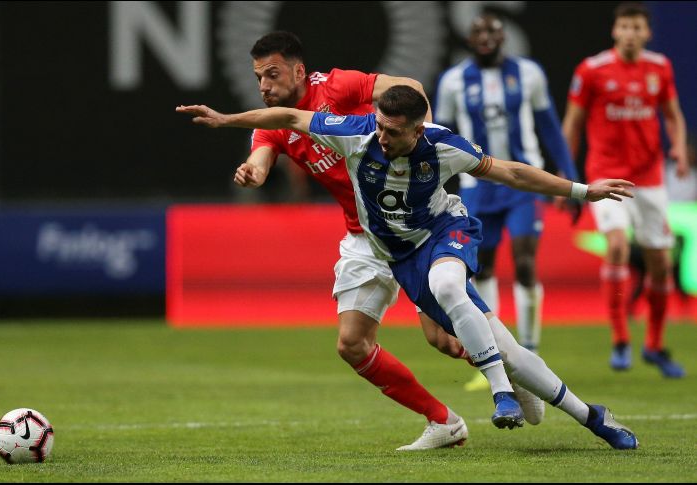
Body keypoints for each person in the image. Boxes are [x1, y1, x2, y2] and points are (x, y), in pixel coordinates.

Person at [176, 84, 640, 450]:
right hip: (402, 257)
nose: (382, 135)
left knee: (449, 285)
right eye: (380, 125)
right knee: (509, 351)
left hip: (447, 231)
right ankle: (593, 418)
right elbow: (292, 117)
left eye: (393, 130)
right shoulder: (355, 132)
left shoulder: (443, 146)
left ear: (418, 129)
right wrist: (226, 120)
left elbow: (514, 173)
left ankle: (500, 391)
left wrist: (583, 190)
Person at [233, 31, 474, 451]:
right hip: (364, 237)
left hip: (412, 226)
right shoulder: (275, 127)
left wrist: (425, 142)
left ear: (299, 71)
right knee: (352, 344)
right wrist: (253, 172)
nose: (264, 87)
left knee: (444, 339)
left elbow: (411, 89)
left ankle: (513, 375)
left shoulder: (337, 87)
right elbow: (260, 157)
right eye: (258, 78)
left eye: (272, 75)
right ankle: (444, 421)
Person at [433, 12, 581, 394]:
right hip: (476, 185)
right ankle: (495, 354)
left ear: (504, 39)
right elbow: (438, 137)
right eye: (478, 32)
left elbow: (549, 126)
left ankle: (531, 352)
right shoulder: (453, 81)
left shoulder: (529, 74)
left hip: (520, 183)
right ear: (469, 40)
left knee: (526, 262)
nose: (486, 38)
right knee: (481, 270)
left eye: (493, 32)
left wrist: (568, 179)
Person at [562, 2, 688, 377]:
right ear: (615, 31)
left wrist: (678, 146)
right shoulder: (592, 70)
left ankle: (654, 344)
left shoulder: (660, 67)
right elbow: (573, 123)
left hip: (650, 178)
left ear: (647, 32)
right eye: (625, 27)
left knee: (661, 263)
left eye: (637, 27)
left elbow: (673, 114)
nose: (631, 33)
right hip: (606, 175)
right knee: (617, 246)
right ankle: (620, 339)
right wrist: (566, 176)